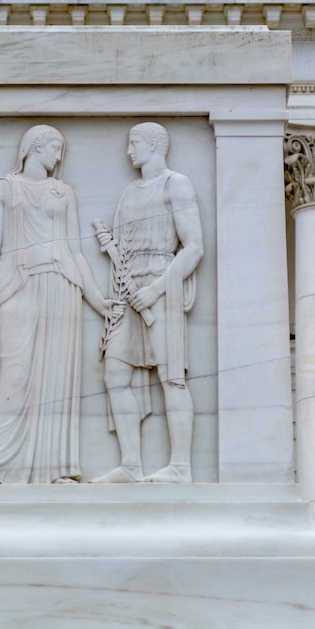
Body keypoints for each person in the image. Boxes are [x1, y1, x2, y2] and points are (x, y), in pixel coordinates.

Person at [0, 125, 113, 484]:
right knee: (15, 372)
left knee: (57, 379)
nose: (59, 157)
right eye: (54, 148)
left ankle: (56, 468)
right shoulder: (5, 188)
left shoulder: (65, 192)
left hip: (62, 285)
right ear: (35, 147)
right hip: (17, 284)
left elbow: (75, 250)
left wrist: (99, 300)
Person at [93, 122, 203, 484]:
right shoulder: (129, 192)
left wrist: (156, 290)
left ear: (155, 144)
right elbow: (125, 250)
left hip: (161, 287)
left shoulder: (176, 184)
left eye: (134, 143)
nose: (129, 151)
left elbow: (193, 249)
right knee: (115, 374)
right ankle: (131, 464)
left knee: (171, 378)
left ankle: (181, 467)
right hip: (128, 289)